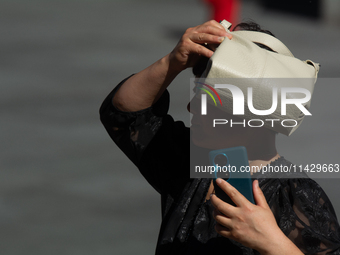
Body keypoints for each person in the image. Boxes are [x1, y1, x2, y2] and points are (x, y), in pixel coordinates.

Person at [100, 20, 340, 254]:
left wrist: (272, 243)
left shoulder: (298, 197)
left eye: (208, 100)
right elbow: (124, 114)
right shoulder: (189, 162)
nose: (191, 107)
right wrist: (172, 61)